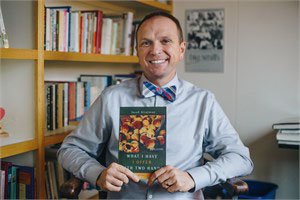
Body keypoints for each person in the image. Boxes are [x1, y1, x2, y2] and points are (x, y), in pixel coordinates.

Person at [58, 11, 253, 199]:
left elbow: (241, 158)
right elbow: (69, 150)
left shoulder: (203, 101)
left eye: (166, 41)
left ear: (181, 50)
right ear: (137, 51)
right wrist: (97, 174)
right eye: (146, 43)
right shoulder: (111, 98)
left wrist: (194, 177)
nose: (155, 50)